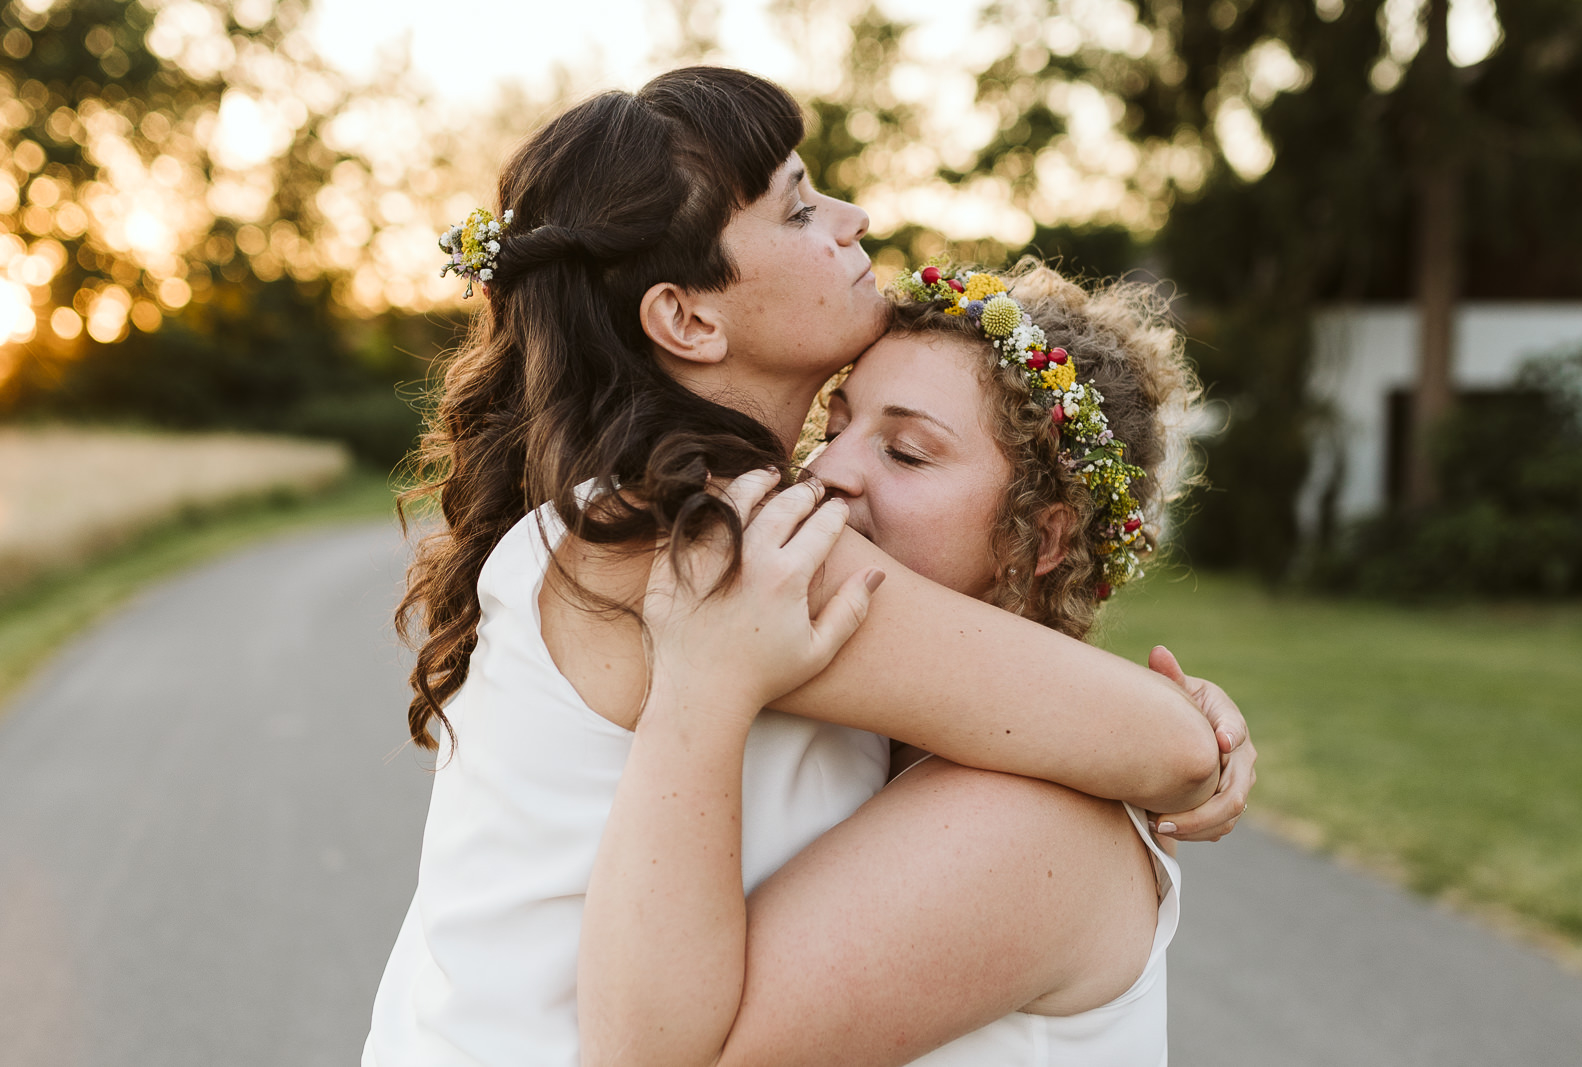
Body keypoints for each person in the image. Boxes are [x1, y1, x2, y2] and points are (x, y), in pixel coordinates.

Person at [364, 67, 1253, 1067]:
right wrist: (1198, 733)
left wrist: (1179, 729)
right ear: (689, 319)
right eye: (798, 208)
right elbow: (1163, 745)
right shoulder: (712, 543)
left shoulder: (656, 516)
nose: (851, 215)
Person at [579, 261, 1218, 1066]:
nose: (826, 471)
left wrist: (699, 689)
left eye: (908, 453)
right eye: (834, 426)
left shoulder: (1027, 819)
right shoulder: (857, 736)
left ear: (1043, 538)